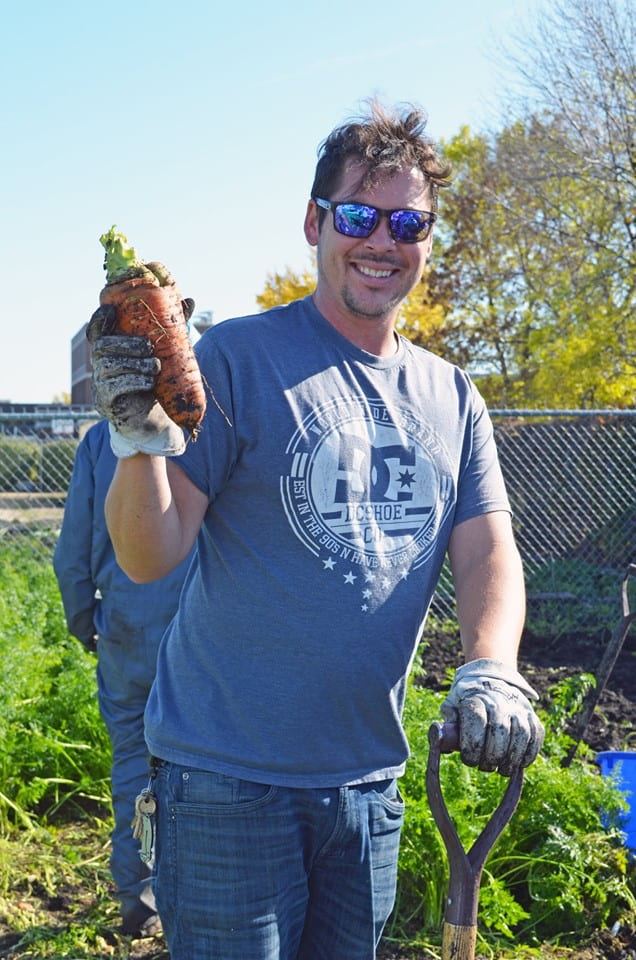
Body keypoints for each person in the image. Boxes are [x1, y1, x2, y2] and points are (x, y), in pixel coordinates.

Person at [87, 100, 545, 960]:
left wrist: (491, 666)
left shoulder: (452, 395)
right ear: (315, 223)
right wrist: (138, 438)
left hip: (370, 784)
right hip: (226, 783)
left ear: (427, 239)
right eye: (359, 217)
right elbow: (149, 556)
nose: (383, 240)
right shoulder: (236, 359)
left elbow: (488, 548)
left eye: (408, 222)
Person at [53, 418, 195, 938]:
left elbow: (73, 550)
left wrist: (86, 623)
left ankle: (140, 899)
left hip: (128, 630)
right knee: (214, 767)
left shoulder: (104, 438)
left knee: (136, 766)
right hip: (205, 632)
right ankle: (204, 897)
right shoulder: (216, 427)